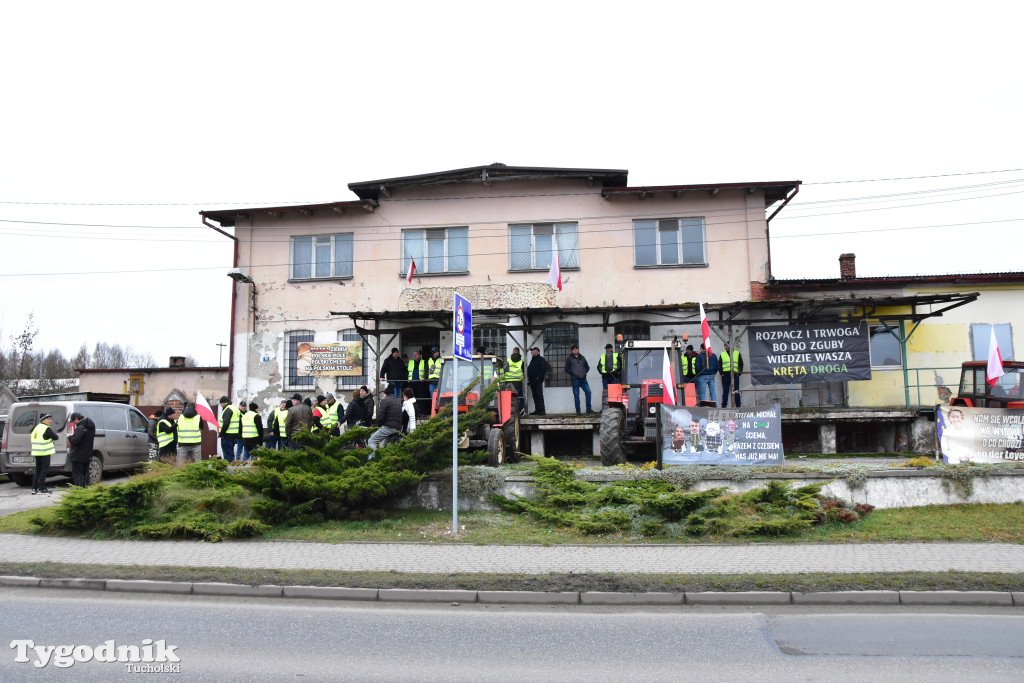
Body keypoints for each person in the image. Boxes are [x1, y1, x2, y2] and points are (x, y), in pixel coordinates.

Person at [30, 413, 59, 494]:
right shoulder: (46, 428)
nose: (50, 421)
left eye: (50, 419)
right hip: (44, 451)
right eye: (48, 419)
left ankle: (34, 488)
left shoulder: (37, 427)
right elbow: (56, 437)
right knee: (44, 470)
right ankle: (42, 488)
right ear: (43, 419)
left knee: (38, 470)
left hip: (36, 452)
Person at [67, 411, 97, 487]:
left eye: (73, 421)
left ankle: (79, 490)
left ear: (76, 419)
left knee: (78, 474)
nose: (74, 423)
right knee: (85, 474)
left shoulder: (81, 427)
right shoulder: (91, 426)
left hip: (78, 455)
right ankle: (85, 489)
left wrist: (70, 437)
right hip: (87, 454)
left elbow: (75, 440)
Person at [564, 345, 594, 414]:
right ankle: (578, 411)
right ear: (572, 351)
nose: (575, 350)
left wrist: (584, 372)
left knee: (588, 392)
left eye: (576, 349)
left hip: (583, 379)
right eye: (574, 349)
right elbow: (566, 369)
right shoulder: (569, 359)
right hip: (575, 380)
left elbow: (587, 367)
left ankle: (588, 410)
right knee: (576, 395)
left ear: (578, 350)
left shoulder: (582, 358)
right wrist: (573, 372)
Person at [175, 402, 205, 466]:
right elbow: (201, 429)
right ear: (195, 408)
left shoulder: (180, 417)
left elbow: (178, 428)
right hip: (196, 443)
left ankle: (181, 475)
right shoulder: (198, 417)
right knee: (198, 464)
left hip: (183, 443)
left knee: (181, 464)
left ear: (186, 408)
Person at [719, 341, 744, 408]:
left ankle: (738, 406)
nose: (726, 347)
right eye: (725, 346)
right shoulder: (722, 354)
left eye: (727, 346)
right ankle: (724, 407)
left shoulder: (737, 353)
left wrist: (739, 373)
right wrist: (722, 374)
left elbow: (741, 364)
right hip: (725, 376)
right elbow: (720, 365)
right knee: (725, 392)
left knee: (736, 391)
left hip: (735, 375)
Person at [218, 396, 241, 462]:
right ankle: (232, 466)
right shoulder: (235, 408)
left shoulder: (228, 409)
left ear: (225, 403)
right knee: (231, 452)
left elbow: (226, 423)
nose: (221, 405)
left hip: (227, 434)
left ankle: (228, 468)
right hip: (234, 434)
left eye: (221, 403)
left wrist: (221, 434)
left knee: (227, 454)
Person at [504, 347, 526, 414]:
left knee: (508, 398)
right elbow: (525, 372)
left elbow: (504, 371)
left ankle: (508, 411)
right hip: (518, 383)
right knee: (519, 397)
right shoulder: (521, 362)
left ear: (513, 352)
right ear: (519, 352)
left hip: (508, 383)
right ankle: (521, 409)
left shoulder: (508, 361)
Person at [527, 346, 547, 416]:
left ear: (537, 352)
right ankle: (537, 410)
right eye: (532, 351)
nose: (532, 352)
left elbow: (544, 369)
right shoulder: (533, 360)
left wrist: (538, 378)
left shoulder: (541, 359)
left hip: (537, 381)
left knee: (539, 395)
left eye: (533, 350)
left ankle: (542, 410)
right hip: (532, 381)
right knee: (535, 396)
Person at [407, 350, 428, 416]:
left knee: (421, 398)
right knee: (412, 399)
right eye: (414, 354)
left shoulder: (423, 362)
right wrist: (407, 379)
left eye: (416, 354)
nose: (414, 356)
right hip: (411, 383)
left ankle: (421, 412)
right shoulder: (410, 362)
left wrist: (424, 377)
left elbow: (426, 371)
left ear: (419, 355)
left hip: (420, 383)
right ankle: (413, 412)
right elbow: (407, 371)